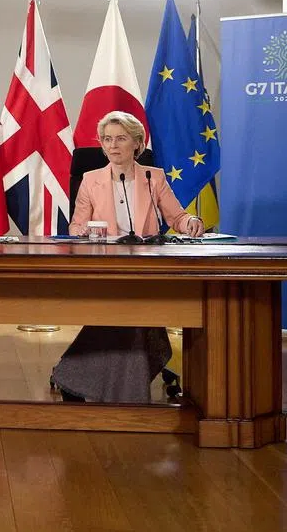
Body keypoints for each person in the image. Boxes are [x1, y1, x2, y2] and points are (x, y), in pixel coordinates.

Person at [53, 110, 204, 403]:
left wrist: (191, 223)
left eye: (120, 138)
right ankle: (114, 389)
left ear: (137, 143)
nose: (112, 145)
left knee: (133, 307)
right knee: (130, 308)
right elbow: (76, 226)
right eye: (107, 139)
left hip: (146, 266)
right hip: (105, 266)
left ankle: (76, 378)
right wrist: (86, 232)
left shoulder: (153, 177)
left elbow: (177, 217)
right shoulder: (90, 179)